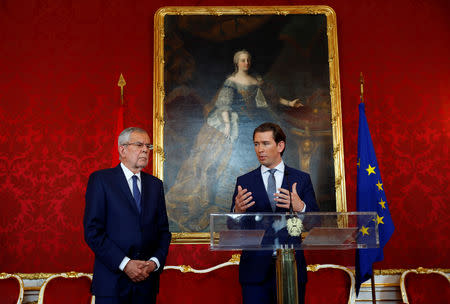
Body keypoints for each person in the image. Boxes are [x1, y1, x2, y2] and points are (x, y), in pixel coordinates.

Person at [165, 50, 302, 232]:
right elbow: (224, 106)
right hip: (236, 122)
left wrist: (290, 104)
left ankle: (265, 202)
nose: (246, 63)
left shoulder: (255, 82)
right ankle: (227, 200)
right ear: (236, 63)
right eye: (242, 60)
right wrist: (228, 127)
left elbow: (267, 102)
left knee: (270, 145)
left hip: (256, 122)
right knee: (226, 158)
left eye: (247, 60)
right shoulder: (231, 82)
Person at [231, 122, 319, 304]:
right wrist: (237, 211)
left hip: (291, 268)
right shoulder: (244, 181)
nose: (259, 150)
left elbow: (315, 223)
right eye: (256, 144)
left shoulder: (301, 179)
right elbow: (232, 228)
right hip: (254, 272)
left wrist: (300, 207)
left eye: (265, 143)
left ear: (280, 146)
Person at [84, 127, 171, 304]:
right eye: (139, 144)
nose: (146, 150)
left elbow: (163, 232)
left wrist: (154, 262)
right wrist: (125, 264)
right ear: (122, 149)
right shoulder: (101, 180)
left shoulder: (155, 185)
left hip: (147, 284)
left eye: (148, 146)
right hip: (112, 283)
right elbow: (93, 231)